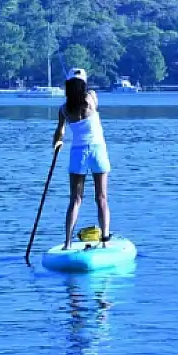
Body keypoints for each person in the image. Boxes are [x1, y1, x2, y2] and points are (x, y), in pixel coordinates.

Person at [53, 68, 113, 248]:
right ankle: (105, 241)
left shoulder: (64, 109)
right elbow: (92, 100)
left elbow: (60, 132)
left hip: (78, 153)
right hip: (97, 150)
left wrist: (57, 143)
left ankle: (68, 243)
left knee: (75, 199)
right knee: (101, 198)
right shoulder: (91, 98)